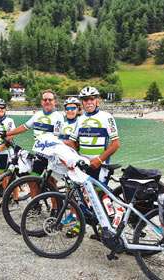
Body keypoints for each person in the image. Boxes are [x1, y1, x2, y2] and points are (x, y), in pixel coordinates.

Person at [64, 86, 120, 238]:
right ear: (82, 103)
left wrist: (100, 159)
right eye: (85, 100)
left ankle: (107, 228)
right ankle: (79, 225)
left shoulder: (106, 117)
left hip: (101, 164)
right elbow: (74, 143)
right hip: (84, 165)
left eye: (91, 99)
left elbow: (115, 144)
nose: (88, 102)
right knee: (81, 196)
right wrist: (60, 144)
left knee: (100, 196)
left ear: (97, 100)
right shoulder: (80, 120)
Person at [6, 89, 64, 199]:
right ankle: (35, 204)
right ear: (41, 102)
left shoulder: (58, 117)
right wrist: (8, 133)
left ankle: (55, 209)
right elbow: (24, 127)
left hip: (52, 156)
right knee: (32, 180)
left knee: (51, 183)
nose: (47, 101)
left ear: (54, 101)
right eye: (45, 99)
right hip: (39, 154)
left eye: (50, 99)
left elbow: (58, 138)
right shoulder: (37, 115)